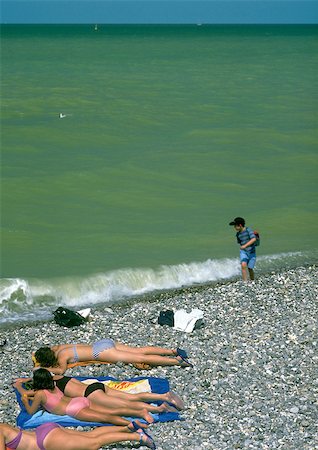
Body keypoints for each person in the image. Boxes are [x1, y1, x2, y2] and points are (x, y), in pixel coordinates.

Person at [13, 369, 156, 427]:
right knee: (113, 410)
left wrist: (25, 400)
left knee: (105, 417)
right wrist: (22, 385)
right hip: (79, 400)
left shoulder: (39, 394)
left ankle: (131, 425)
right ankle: (140, 412)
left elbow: (31, 411)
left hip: (73, 409)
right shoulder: (54, 385)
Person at [33, 341, 192, 375]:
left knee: (139, 357)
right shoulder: (60, 348)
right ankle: (172, 351)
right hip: (102, 343)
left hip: (101, 353)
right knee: (138, 350)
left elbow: (61, 370)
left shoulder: (62, 356)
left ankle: (176, 361)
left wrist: (42, 368)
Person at [0, 421, 156, 450]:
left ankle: (138, 437)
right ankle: (127, 429)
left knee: (94, 443)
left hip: (45, 441)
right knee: (90, 435)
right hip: (44, 431)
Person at [229, 217, 257, 281]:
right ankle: (245, 282)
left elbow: (254, 239)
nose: (234, 227)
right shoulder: (238, 234)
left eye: (235, 226)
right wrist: (243, 247)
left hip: (252, 252)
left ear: (240, 225)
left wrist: (245, 245)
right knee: (243, 265)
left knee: (250, 268)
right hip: (243, 252)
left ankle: (252, 280)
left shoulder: (248, 230)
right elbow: (240, 242)